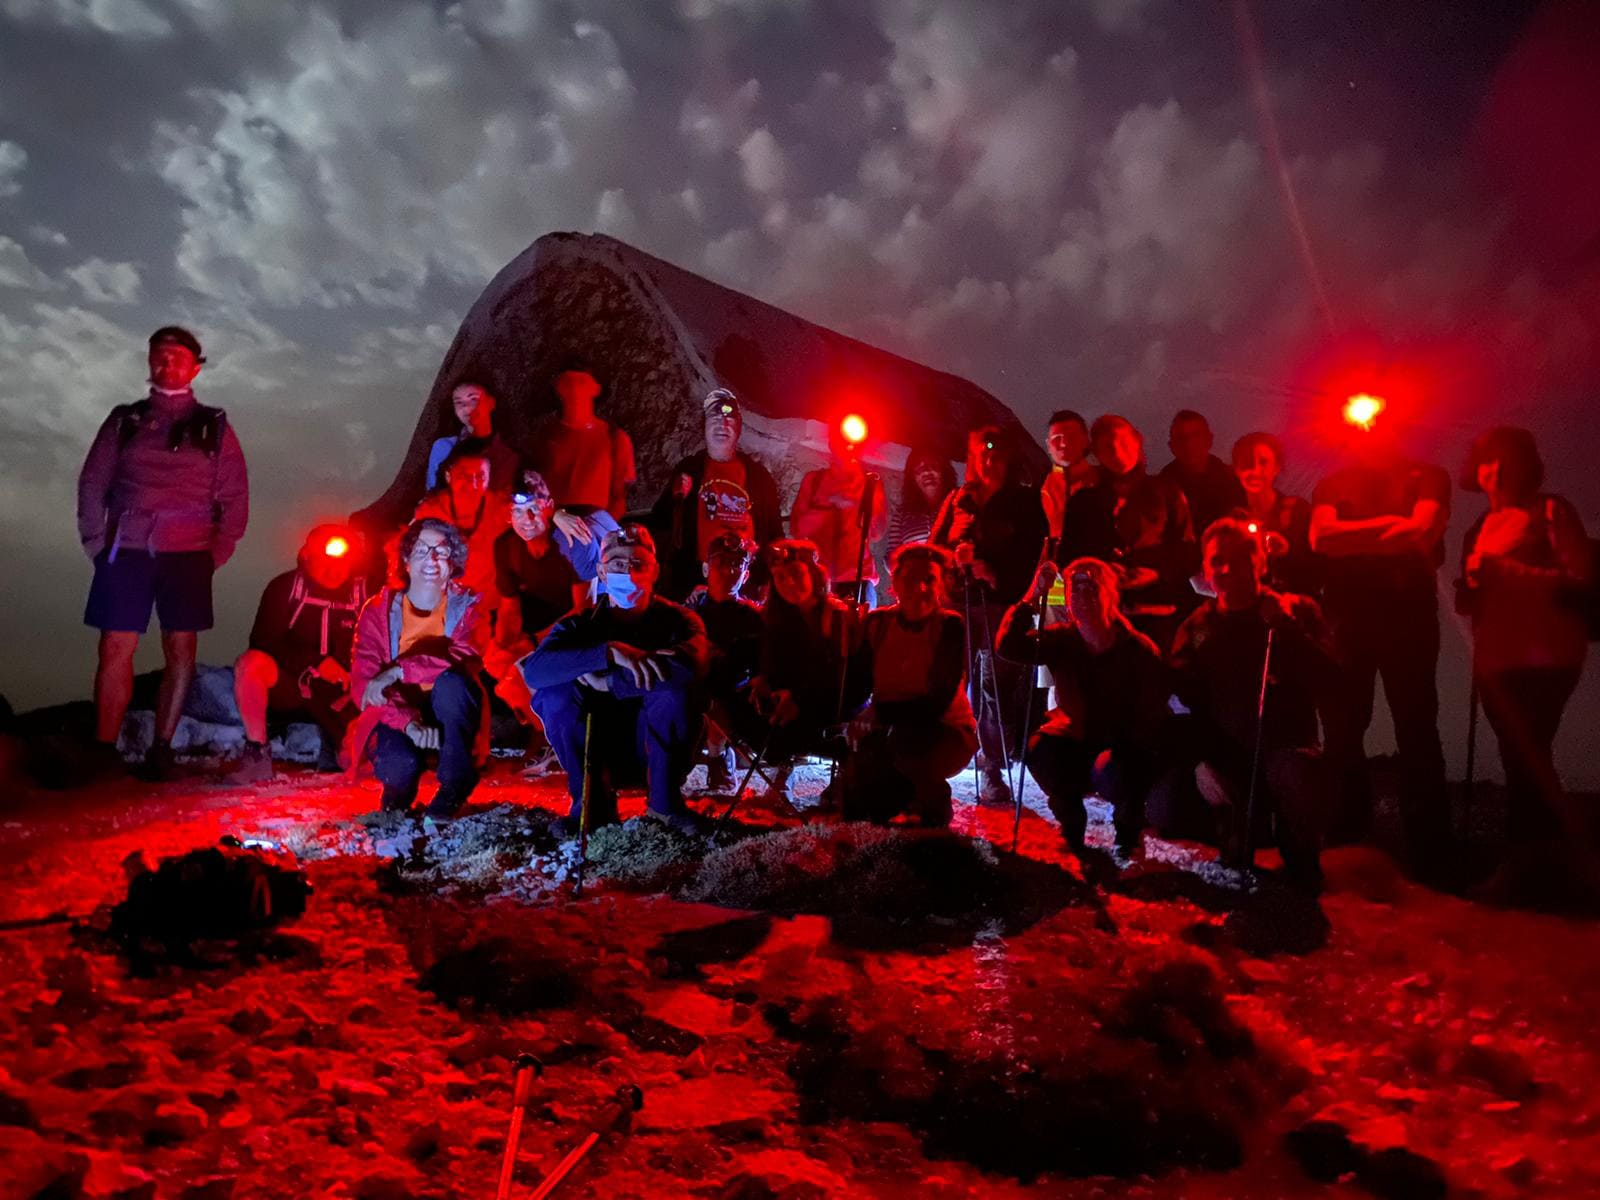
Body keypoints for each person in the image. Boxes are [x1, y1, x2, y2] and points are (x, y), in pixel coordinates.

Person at [77, 326, 249, 780]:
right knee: (115, 645)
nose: (165, 363)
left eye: (176, 357)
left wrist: (218, 550)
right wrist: (96, 542)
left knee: (181, 647)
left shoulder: (214, 425)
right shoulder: (125, 420)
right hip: (126, 548)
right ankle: (103, 748)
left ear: (195, 366)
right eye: (158, 355)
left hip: (190, 553)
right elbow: (94, 482)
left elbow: (234, 493)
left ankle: (163, 747)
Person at [1456, 426, 1598, 901]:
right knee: (1523, 761)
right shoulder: (1480, 529)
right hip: (1499, 658)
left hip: (1548, 654)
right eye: (1485, 461)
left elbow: (1580, 582)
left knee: (1526, 755)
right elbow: (1477, 595)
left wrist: (1508, 574)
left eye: (1502, 460)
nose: (1493, 470)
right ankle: (1554, 865)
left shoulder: (1552, 511)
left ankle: (1526, 869)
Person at [1310, 408, 1452, 879]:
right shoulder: (1333, 484)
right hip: (1347, 618)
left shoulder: (1428, 476)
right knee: (1344, 729)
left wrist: (1358, 539)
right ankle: (1347, 841)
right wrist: (1392, 530)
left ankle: (1431, 853)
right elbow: (1321, 538)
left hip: (1407, 617)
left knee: (1417, 727)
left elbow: (1422, 532)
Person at [1170, 519, 1338, 891]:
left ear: (1260, 564)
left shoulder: (1296, 610)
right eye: (1217, 561)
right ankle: (1236, 832)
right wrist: (1199, 761)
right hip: (1229, 758)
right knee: (1166, 806)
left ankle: (1301, 854)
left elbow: (1329, 675)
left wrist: (1285, 627)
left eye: (1239, 559)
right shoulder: (1198, 627)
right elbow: (1178, 700)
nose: (1227, 569)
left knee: (1300, 776)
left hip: (1285, 753)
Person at [522, 525, 709, 834]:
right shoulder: (582, 624)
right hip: (596, 747)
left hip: (655, 748)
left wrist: (609, 682)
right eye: (618, 563)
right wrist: (608, 652)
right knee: (555, 694)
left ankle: (664, 807)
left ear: (655, 570)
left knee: (674, 691)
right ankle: (591, 806)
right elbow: (537, 670)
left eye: (639, 563)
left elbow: (693, 664)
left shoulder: (680, 620)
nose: (629, 571)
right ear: (602, 571)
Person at [998, 557, 1169, 856]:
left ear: (1110, 596)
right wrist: (1032, 596)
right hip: (1076, 739)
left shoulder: (1137, 649)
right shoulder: (1062, 640)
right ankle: (1071, 823)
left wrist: (1121, 747)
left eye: (1091, 590)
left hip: (1122, 747)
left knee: (1121, 768)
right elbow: (1008, 646)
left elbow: (1151, 717)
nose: (1082, 599)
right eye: (1074, 592)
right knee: (1040, 747)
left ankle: (1128, 835)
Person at [931, 427, 1049, 805]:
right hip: (958, 603)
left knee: (994, 687)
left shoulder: (1026, 503)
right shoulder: (959, 499)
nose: (988, 459)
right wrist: (954, 559)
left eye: (996, 453)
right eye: (981, 452)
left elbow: (1035, 555)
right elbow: (935, 548)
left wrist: (996, 574)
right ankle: (943, 757)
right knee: (953, 679)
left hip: (1002, 605)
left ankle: (993, 767)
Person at [348, 519, 487, 816]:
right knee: (399, 768)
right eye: (422, 550)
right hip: (399, 713)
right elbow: (364, 684)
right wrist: (408, 722)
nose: (432, 559)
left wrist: (399, 670)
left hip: (450, 711)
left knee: (455, 683)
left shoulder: (470, 606)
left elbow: (463, 654)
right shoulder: (377, 610)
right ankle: (396, 802)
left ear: (453, 561)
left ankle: (454, 787)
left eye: (441, 550)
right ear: (406, 561)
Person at [840, 544, 977, 826]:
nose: (921, 588)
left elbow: (937, 700)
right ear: (896, 583)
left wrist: (880, 714)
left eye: (930, 580)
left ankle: (934, 808)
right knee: (863, 783)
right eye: (912, 579)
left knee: (906, 746)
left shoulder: (948, 626)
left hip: (946, 730)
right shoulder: (878, 623)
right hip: (890, 725)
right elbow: (858, 682)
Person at [484, 469, 614, 765]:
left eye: (533, 509)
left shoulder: (574, 539)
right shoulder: (506, 546)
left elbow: (587, 610)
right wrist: (504, 647)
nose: (527, 520)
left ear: (549, 506)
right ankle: (547, 735)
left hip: (605, 611)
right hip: (551, 609)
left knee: (540, 661)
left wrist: (530, 643)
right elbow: (509, 607)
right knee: (502, 667)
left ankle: (565, 739)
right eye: (517, 512)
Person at [230, 526, 368, 782]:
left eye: (341, 563)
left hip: (342, 695)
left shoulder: (366, 594)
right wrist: (314, 663)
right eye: (324, 561)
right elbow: (263, 641)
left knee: (357, 763)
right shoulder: (286, 588)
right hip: (293, 686)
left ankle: (344, 746)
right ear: (306, 557)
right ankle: (257, 753)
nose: (333, 570)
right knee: (250, 665)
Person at [1058, 414, 1196, 649]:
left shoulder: (1168, 493)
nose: (1116, 451)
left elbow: (1189, 552)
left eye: (1122, 441)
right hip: (1102, 619)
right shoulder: (1084, 502)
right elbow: (1068, 558)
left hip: (1158, 614)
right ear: (1097, 454)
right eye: (1106, 446)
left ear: (1137, 440)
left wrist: (1156, 573)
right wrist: (1100, 573)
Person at [649, 388, 784, 599]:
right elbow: (661, 521)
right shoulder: (690, 468)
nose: (722, 425)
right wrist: (674, 497)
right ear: (704, 426)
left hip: (743, 579)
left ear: (739, 428)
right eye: (715, 419)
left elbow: (774, 532)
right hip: (695, 581)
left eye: (730, 421)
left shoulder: (758, 477)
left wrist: (767, 578)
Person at [791, 422, 889, 605]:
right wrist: (828, 506)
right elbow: (798, 529)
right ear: (831, 445)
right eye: (840, 442)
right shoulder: (814, 481)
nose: (847, 447)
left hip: (858, 579)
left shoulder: (871, 484)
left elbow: (876, 532)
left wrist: (855, 504)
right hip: (817, 578)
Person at [530, 361, 636, 519]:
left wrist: (603, 532)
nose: (575, 390)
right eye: (568, 384)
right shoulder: (544, 437)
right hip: (554, 527)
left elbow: (619, 495)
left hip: (598, 529)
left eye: (581, 383)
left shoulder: (615, 438)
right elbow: (534, 487)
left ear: (596, 388)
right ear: (558, 389)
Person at [409, 438, 510, 604]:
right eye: (465, 476)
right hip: (440, 605)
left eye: (481, 476)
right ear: (448, 476)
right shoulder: (429, 512)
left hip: (488, 605)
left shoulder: (501, 509)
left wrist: (557, 514)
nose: (473, 484)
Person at [1231, 432, 1318, 596]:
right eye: (1247, 463)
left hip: (1293, 605)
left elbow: (1317, 567)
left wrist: (1287, 552)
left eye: (1263, 463)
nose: (1255, 470)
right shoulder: (1230, 518)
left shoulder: (1297, 511)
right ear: (1236, 469)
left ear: (1276, 468)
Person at [1159, 409, 1246, 538]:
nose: (1189, 444)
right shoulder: (1161, 486)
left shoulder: (1233, 481)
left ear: (1209, 439)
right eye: (1181, 438)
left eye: (1195, 436)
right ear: (1172, 446)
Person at [425, 382, 522, 491]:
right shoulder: (445, 446)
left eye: (473, 399)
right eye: (458, 402)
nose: (465, 406)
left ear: (491, 402)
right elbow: (433, 493)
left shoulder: (510, 450)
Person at [1040, 409, 1099, 547]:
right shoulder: (1037, 489)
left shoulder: (1104, 483)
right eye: (1057, 439)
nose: (1064, 444)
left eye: (1071, 437)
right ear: (1048, 445)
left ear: (1085, 440)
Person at [885, 447, 956, 557]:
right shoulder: (902, 514)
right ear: (912, 478)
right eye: (919, 468)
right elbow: (891, 556)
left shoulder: (958, 504)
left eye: (932, 465)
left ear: (944, 469)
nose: (926, 471)